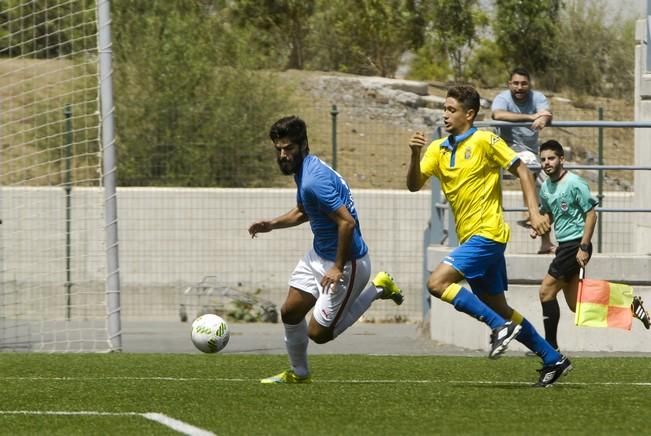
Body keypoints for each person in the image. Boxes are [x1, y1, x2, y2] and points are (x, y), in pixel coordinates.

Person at [407, 85, 570, 387]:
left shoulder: (484, 140)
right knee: (500, 307)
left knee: (437, 283)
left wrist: (534, 213)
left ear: (469, 114)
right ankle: (552, 358)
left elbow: (521, 168)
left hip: (489, 234)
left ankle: (498, 327)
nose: (445, 114)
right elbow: (414, 184)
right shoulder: (437, 148)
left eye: (451, 109)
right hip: (471, 239)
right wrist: (415, 154)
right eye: (444, 108)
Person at [248, 115, 404, 384]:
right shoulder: (305, 171)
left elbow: (347, 222)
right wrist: (271, 224)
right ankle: (299, 374)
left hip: (347, 262)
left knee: (319, 334)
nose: (283, 155)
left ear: (303, 144)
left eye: (289, 149)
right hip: (318, 255)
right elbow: (303, 211)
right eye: (278, 149)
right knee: (290, 312)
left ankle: (379, 288)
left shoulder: (313, 180)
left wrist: (337, 266)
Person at [532, 140, 651, 351]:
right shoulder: (546, 188)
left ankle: (550, 348)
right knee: (576, 304)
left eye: (551, 158)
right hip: (564, 246)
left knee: (545, 291)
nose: (546, 163)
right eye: (542, 159)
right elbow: (550, 214)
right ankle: (629, 304)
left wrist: (584, 246)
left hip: (575, 244)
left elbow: (591, 214)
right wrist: (540, 226)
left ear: (561, 159)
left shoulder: (575, 183)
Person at [491, 67, 555, 254]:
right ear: (509, 84)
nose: (520, 87)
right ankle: (530, 213)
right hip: (508, 149)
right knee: (528, 166)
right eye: (516, 83)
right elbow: (498, 115)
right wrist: (530, 117)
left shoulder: (537, 97)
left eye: (524, 83)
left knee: (550, 193)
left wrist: (542, 118)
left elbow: (545, 113)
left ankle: (545, 240)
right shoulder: (503, 98)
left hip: (532, 152)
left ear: (530, 84)